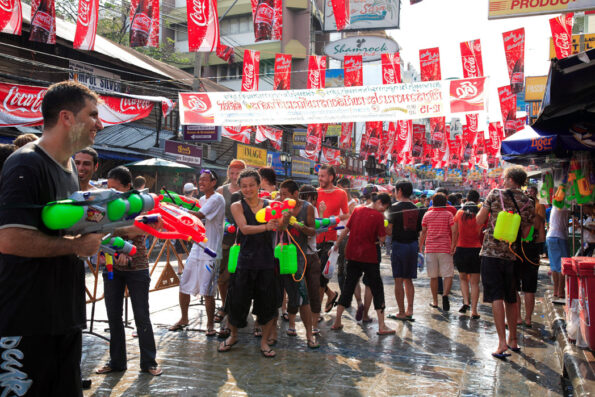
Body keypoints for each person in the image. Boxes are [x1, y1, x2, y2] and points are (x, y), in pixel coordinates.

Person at [0, 81, 104, 395]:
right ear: (67, 118)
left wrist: (106, 224)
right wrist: (75, 246)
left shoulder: (70, 166)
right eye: (93, 115)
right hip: (26, 318)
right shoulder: (25, 163)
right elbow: (10, 239)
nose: (99, 123)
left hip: (64, 314)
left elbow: (59, 225)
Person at [95, 166, 162, 376]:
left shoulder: (141, 204)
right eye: (109, 188)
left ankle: (149, 362)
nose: (112, 193)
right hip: (110, 265)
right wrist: (115, 248)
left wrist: (113, 230)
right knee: (113, 316)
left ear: (128, 187)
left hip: (138, 265)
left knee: (142, 315)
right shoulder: (104, 204)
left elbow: (139, 228)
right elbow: (97, 231)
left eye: (116, 189)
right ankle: (116, 362)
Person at [218, 169, 279, 357]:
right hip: (245, 261)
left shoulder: (270, 205)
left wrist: (282, 219)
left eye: (251, 185)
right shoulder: (237, 205)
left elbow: (280, 227)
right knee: (236, 301)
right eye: (244, 186)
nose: (248, 189)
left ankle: (264, 343)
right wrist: (267, 226)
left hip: (267, 261)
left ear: (259, 185)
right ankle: (233, 335)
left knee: (268, 304)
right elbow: (244, 229)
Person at [476, 166, 534, 358]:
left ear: (510, 179)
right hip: (512, 255)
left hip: (491, 253)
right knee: (511, 296)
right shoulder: (528, 201)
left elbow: (479, 220)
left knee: (496, 297)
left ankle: (501, 343)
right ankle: (514, 340)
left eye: (505, 177)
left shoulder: (494, 194)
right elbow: (526, 234)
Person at [170, 169, 225, 336]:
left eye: (205, 180)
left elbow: (198, 215)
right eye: (199, 180)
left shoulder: (217, 198)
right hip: (197, 248)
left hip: (211, 251)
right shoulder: (202, 198)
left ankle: (210, 324)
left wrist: (175, 209)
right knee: (184, 284)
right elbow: (196, 222)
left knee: (208, 290)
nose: (201, 183)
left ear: (214, 182)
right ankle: (184, 318)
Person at [331, 193, 394, 335]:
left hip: (352, 255)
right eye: (384, 207)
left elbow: (346, 229)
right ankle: (382, 326)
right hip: (369, 257)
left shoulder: (358, 209)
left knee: (348, 287)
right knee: (377, 289)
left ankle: (337, 321)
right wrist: (384, 226)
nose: (384, 210)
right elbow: (382, 238)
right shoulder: (378, 216)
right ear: (379, 202)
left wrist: (337, 244)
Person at [279, 180, 318, 348]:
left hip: (297, 258)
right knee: (277, 295)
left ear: (295, 194)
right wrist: (283, 220)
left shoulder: (307, 207)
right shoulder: (278, 207)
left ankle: (309, 334)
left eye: (285, 195)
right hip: (279, 256)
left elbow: (312, 231)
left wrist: (297, 224)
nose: (282, 198)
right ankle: (274, 332)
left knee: (302, 296)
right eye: (280, 195)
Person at [215, 159, 246, 336]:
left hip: (244, 239)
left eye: (238, 173)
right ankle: (225, 306)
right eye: (232, 173)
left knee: (239, 278)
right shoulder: (221, 191)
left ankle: (234, 309)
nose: (234, 177)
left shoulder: (248, 190)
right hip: (226, 239)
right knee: (223, 277)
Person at [387, 180, 425, 321]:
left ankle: (401, 312)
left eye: (396, 190)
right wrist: (420, 248)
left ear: (400, 191)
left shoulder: (393, 208)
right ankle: (410, 310)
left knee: (398, 279)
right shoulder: (417, 208)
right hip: (413, 245)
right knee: (408, 279)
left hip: (399, 245)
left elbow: (389, 231)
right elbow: (420, 231)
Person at [316, 165, 349, 313]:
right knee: (312, 276)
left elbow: (347, 215)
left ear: (331, 177)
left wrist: (331, 220)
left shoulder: (341, 193)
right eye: (319, 175)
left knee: (322, 277)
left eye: (322, 176)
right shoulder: (315, 192)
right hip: (314, 240)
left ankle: (315, 314)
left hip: (329, 240)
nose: (320, 178)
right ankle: (330, 294)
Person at [420, 193, 456, 311]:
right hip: (445, 248)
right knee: (448, 274)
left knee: (433, 277)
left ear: (433, 202)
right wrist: (453, 245)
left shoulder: (427, 214)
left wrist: (420, 246)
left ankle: (435, 301)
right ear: (445, 203)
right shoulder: (448, 214)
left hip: (430, 248)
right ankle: (445, 295)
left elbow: (423, 232)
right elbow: (454, 231)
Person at [451, 190, 483, 319]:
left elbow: (455, 232)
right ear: (477, 201)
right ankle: (474, 310)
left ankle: (466, 302)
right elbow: (481, 233)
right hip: (476, 250)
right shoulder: (480, 215)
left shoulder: (459, 213)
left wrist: (452, 247)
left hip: (461, 249)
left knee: (463, 278)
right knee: (475, 282)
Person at [299, 185, 323, 334]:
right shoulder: (310, 209)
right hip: (310, 254)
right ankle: (313, 325)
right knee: (313, 290)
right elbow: (313, 231)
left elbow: (312, 232)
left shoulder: (300, 209)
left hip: (301, 253)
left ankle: (295, 326)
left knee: (303, 291)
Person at [547, 204, 570, 299]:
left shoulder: (555, 207)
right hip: (559, 236)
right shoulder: (563, 206)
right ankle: (561, 291)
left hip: (550, 236)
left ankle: (556, 291)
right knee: (562, 266)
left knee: (554, 266)